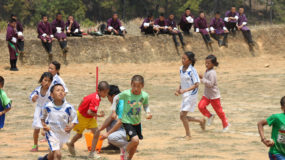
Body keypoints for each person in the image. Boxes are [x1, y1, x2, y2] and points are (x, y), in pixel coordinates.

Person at [109, 75, 152, 160]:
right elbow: (115, 99)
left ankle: (128, 158)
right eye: (134, 86)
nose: (136, 88)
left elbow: (146, 105)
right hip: (127, 122)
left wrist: (148, 112)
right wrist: (113, 111)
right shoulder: (126, 94)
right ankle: (124, 149)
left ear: (142, 86)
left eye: (138, 86)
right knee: (135, 140)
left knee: (135, 144)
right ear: (131, 85)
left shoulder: (145, 95)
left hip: (137, 122)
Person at [67, 81, 109, 159]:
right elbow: (89, 112)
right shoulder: (96, 98)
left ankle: (92, 153)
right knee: (79, 135)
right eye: (105, 92)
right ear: (99, 91)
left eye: (107, 92)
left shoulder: (96, 96)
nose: (106, 94)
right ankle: (71, 143)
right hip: (82, 117)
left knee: (97, 132)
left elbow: (83, 100)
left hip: (89, 118)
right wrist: (99, 115)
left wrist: (80, 108)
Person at [38, 84, 78, 160]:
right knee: (58, 154)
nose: (60, 92)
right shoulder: (48, 106)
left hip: (62, 133)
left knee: (52, 155)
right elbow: (42, 117)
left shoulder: (68, 107)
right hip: (51, 132)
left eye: (62, 90)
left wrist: (71, 127)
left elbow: (75, 120)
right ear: (52, 95)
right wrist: (44, 126)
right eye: (58, 90)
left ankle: (44, 159)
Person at [175, 52, 206, 140]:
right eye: (182, 58)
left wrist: (185, 90)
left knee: (182, 115)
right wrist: (178, 89)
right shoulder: (181, 69)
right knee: (183, 116)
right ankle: (200, 120)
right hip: (185, 94)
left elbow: (196, 84)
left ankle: (188, 135)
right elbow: (183, 81)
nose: (182, 60)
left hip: (191, 95)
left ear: (190, 61)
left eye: (184, 59)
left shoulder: (192, 70)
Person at [198, 55, 230, 132]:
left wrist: (202, 79)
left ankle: (225, 125)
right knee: (200, 106)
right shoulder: (207, 71)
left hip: (214, 96)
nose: (206, 65)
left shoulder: (212, 73)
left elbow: (210, 84)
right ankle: (210, 116)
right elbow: (206, 82)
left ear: (213, 64)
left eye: (208, 63)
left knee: (219, 112)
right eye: (205, 63)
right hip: (207, 95)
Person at [99, 85, 128, 160]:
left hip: (130, 131)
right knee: (110, 123)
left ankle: (130, 145)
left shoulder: (122, 104)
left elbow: (119, 122)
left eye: (108, 96)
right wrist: (99, 130)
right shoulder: (117, 102)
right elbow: (111, 118)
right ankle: (113, 146)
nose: (107, 99)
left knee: (111, 137)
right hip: (123, 128)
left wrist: (107, 134)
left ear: (113, 96)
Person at [29, 72, 53, 152]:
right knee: (36, 129)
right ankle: (35, 145)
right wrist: (33, 98)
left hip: (49, 111)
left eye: (49, 81)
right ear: (41, 80)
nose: (47, 82)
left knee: (49, 130)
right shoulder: (37, 90)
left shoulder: (51, 91)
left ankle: (51, 145)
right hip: (39, 111)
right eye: (45, 80)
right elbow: (31, 96)